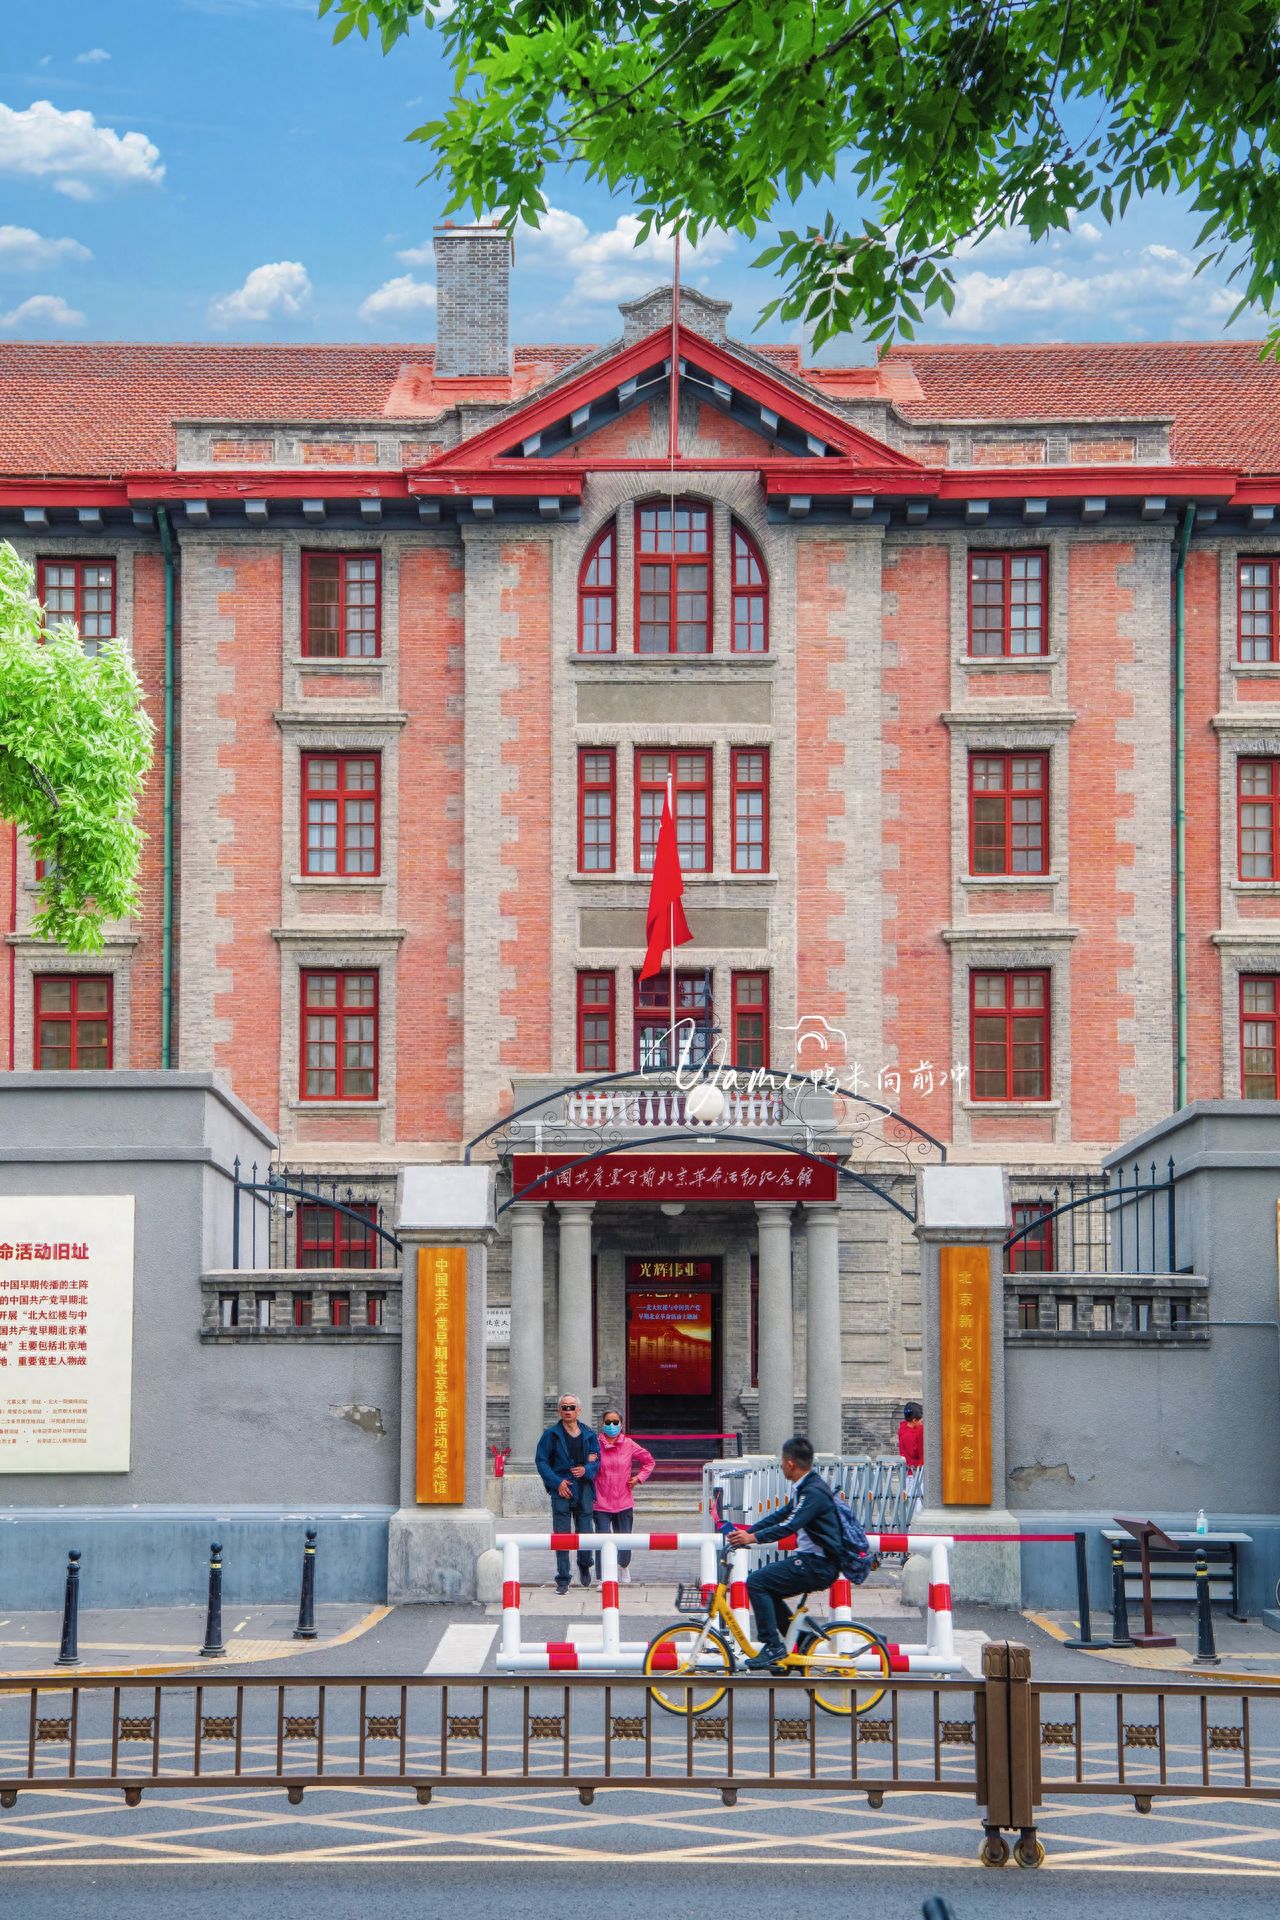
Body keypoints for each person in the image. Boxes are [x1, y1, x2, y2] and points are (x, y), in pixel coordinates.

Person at [728, 1434, 844, 1669]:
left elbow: (789, 1525)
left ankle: (772, 1646)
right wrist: (748, 1532)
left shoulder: (813, 1492)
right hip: (812, 1561)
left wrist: (752, 1537)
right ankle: (800, 1642)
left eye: (782, 1462)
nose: (781, 1466)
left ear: (790, 1463)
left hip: (818, 1565)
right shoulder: (807, 1487)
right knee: (768, 1588)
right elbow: (781, 1515)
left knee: (757, 1582)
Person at [535, 1394, 599, 1594]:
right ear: (559, 1411)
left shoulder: (589, 1433)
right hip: (562, 1490)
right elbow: (541, 1461)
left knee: (586, 1533)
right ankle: (563, 1579)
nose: (568, 1410)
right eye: (564, 1407)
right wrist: (556, 1483)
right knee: (562, 1536)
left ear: (579, 1410)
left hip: (584, 1489)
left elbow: (597, 1461)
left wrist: (586, 1470)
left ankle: (585, 1563)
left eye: (572, 1407)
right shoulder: (551, 1435)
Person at [592, 1410, 655, 1585]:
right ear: (602, 1424)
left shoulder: (629, 1444)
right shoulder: (594, 1445)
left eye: (615, 1422)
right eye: (608, 1422)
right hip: (600, 1502)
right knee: (602, 1541)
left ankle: (624, 1566)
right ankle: (603, 1577)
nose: (611, 1426)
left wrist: (639, 1478)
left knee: (624, 1539)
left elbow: (649, 1461)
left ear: (621, 1424)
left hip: (623, 1500)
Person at [897, 1401, 924, 1471]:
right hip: (913, 1473)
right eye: (921, 1421)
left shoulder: (904, 1429)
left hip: (912, 1471)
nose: (922, 1423)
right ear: (914, 1420)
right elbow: (916, 1453)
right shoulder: (908, 1435)